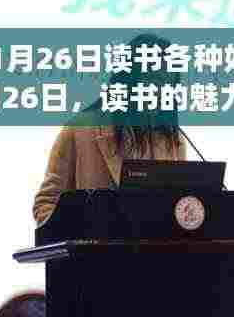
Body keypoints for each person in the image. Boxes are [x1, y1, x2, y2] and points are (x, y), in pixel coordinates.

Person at [33, 33, 187, 225]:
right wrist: (80, 235)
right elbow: (46, 203)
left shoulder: (172, 139)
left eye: (168, 83)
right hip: (93, 245)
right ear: (128, 77)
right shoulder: (81, 129)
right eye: (153, 80)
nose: (160, 91)